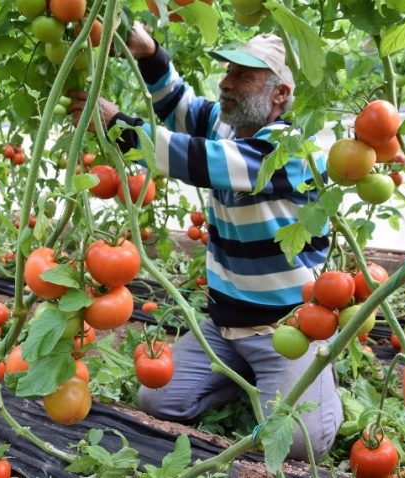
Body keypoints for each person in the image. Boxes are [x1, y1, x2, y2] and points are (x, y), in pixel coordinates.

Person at [68, 24, 342, 459]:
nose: (226, 82)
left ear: (279, 93)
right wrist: (149, 52)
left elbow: (206, 161)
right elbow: (178, 107)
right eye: (228, 71)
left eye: (242, 76)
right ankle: (251, 378)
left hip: (289, 328)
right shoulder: (228, 125)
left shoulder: (295, 152)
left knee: (301, 443)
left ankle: (293, 376)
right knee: (158, 401)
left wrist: (120, 126)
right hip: (224, 325)